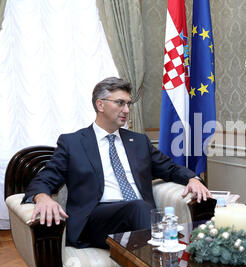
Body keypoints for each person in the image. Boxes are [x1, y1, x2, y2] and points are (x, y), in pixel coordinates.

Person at [24, 77, 211, 250]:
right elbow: (45, 179)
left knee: (141, 239)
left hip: (140, 217)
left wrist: (193, 179)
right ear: (100, 105)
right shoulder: (72, 143)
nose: (127, 110)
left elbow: (169, 168)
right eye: (120, 103)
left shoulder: (138, 141)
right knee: (139, 209)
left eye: (128, 104)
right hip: (97, 220)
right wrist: (42, 197)